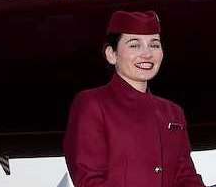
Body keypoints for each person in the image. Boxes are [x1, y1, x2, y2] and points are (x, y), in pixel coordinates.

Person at [64, 10, 205, 187]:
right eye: (134, 45)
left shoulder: (173, 112)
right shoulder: (92, 104)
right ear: (111, 54)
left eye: (154, 45)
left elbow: (186, 176)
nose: (147, 54)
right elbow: (89, 180)